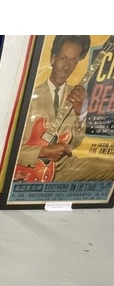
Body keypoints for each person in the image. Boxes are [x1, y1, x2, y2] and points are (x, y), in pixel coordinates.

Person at [17, 35, 114, 182]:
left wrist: (81, 113)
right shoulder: (29, 95)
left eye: (73, 61)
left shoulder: (76, 96)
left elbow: (74, 144)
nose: (67, 66)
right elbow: (6, 151)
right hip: (28, 168)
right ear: (52, 58)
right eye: (63, 58)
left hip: (64, 166)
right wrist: (43, 151)